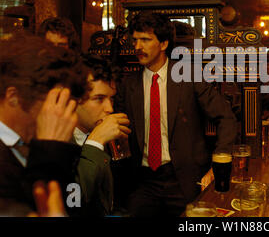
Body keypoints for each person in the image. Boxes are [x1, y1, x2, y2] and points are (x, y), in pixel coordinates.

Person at [114, 12, 237, 216]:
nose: (137, 47)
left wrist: (219, 161)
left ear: (163, 44)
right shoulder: (128, 85)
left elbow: (226, 118)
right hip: (143, 181)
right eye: (135, 40)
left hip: (183, 179)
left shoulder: (188, 77)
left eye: (145, 40)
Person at [0, 33, 87, 216]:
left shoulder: (37, 143)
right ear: (14, 97)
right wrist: (50, 149)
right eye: (52, 103)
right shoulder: (43, 148)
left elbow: (74, 204)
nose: (59, 115)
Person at [72, 55, 131, 216]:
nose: (109, 108)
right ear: (73, 99)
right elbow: (74, 201)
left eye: (111, 98)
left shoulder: (100, 133)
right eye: (99, 99)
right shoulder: (55, 138)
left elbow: (108, 198)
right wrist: (95, 142)